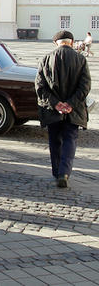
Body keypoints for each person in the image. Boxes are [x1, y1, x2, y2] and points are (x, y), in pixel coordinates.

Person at [35, 30, 91, 188]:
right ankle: (64, 173)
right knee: (70, 140)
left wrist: (56, 104)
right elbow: (85, 86)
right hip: (74, 110)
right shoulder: (80, 59)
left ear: (56, 43)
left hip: (53, 110)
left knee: (54, 141)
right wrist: (70, 104)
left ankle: (56, 171)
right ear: (71, 42)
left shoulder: (46, 59)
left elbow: (39, 87)